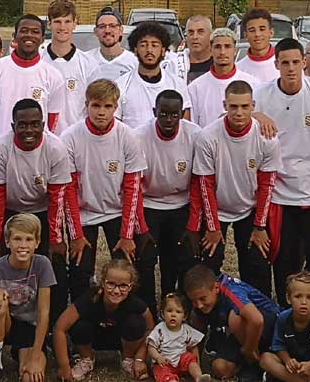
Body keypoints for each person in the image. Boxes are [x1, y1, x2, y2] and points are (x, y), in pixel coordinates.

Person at [256, 38, 310, 304]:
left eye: (296, 62)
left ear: (304, 62)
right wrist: (257, 115)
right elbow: (231, 111)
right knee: (283, 258)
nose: (291, 68)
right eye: (285, 63)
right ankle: (286, 308)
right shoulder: (262, 94)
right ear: (276, 64)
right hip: (280, 194)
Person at [61, 79, 153, 309]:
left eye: (107, 106)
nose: (101, 112)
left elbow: (133, 188)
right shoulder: (70, 137)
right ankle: (82, 320)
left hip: (116, 211)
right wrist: (76, 234)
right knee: (80, 270)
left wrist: (127, 235)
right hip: (84, 213)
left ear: (116, 107)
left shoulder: (128, 136)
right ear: (86, 105)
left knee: (125, 269)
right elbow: (68, 190)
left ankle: (126, 316)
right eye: (96, 105)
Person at [0, 99, 78, 313]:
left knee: (54, 260)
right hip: (10, 210)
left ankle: (55, 320)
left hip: (43, 210)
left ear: (43, 125)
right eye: (22, 125)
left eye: (34, 124)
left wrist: (56, 239)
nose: (29, 130)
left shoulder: (56, 148)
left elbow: (58, 196)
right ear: (13, 126)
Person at [189, 80, 278, 298]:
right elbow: (205, 184)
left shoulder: (266, 138)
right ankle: (207, 311)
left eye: (245, 106)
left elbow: (267, 184)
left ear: (253, 106)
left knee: (257, 262)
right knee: (209, 262)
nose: (239, 112)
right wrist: (212, 227)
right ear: (224, 105)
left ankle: (260, 310)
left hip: (249, 209)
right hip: (217, 209)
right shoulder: (208, 136)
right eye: (233, 106)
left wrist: (260, 226)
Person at [0, 213, 56, 382]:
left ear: (37, 242)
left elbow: (44, 313)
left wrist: (35, 356)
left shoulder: (42, 265)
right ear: (7, 242)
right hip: (5, 324)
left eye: (29, 239)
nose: (23, 245)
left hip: (29, 328)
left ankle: (21, 353)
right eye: (17, 239)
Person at [138, 90, 201, 300]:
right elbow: (134, 185)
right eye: (163, 113)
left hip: (181, 203)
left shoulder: (195, 135)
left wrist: (193, 225)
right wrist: (142, 226)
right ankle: (148, 309)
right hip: (149, 203)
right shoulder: (138, 136)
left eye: (174, 114)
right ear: (154, 111)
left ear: (182, 114)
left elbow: (198, 181)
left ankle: (176, 304)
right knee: (145, 259)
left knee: (181, 257)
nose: (168, 119)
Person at [54, 258, 153, 382]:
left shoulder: (135, 303)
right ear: (102, 283)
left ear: (130, 287)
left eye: (123, 286)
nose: (116, 291)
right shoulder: (90, 298)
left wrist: (139, 358)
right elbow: (59, 328)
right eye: (111, 284)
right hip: (94, 338)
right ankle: (87, 359)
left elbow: (150, 329)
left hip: (121, 340)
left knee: (136, 323)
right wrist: (64, 366)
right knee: (79, 325)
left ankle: (127, 358)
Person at [182, 263, 277, 382]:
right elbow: (196, 333)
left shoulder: (230, 290)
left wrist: (248, 350)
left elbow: (257, 320)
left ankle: (255, 364)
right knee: (220, 368)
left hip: (271, 325)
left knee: (235, 318)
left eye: (202, 299)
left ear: (216, 288)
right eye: (194, 301)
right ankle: (249, 363)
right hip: (242, 333)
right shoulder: (201, 303)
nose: (199, 305)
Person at [0, 14, 64, 139]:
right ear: (15, 36)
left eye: (35, 32)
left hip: (37, 147)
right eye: (24, 31)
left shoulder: (53, 75)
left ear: (42, 39)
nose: (29, 35)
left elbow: (53, 118)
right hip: (0, 147)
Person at [115, 21, 192, 130]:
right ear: (135, 50)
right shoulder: (121, 85)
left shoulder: (177, 84)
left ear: (163, 50)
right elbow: (115, 127)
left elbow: (185, 125)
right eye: (143, 45)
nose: (149, 50)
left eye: (154, 45)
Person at [42, 0, 96, 129]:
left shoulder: (88, 64)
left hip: (77, 136)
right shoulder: (38, 60)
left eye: (67, 21)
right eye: (57, 22)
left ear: (74, 24)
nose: (62, 27)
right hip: (43, 136)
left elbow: (95, 104)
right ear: (49, 24)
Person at [147, 291, 208, 382]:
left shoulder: (186, 330)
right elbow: (151, 346)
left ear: (184, 316)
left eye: (178, 312)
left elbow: (193, 346)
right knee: (160, 372)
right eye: (169, 311)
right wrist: (158, 357)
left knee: (190, 358)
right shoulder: (159, 330)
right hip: (164, 363)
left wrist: (196, 364)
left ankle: (199, 378)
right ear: (162, 314)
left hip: (181, 362)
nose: (173, 315)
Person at [185, 28, 245, 128]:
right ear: (210, 50)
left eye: (227, 47)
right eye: (217, 47)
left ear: (235, 50)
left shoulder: (252, 83)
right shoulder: (195, 87)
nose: (222, 52)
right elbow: (192, 127)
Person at [85, 8, 138, 86]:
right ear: (96, 31)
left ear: (121, 30)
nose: (107, 31)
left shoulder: (135, 62)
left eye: (112, 26)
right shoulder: (85, 60)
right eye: (102, 26)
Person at [234, 9, 278, 83]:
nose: (257, 34)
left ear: (271, 32)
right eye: (252, 30)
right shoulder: (238, 70)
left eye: (262, 29)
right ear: (246, 35)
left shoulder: (285, 65)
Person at [179, 14, 215, 84]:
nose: (195, 37)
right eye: (191, 32)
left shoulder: (219, 64)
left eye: (200, 32)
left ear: (210, 35)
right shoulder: (175, 66)